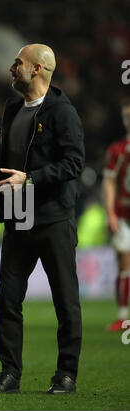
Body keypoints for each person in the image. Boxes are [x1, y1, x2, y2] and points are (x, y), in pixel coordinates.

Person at [0, 44, 85, 394]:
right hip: (18, 218)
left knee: (65, 302)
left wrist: (30, 178)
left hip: (53, 219)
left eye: (18, 63)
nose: (12, 68)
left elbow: (75, 163)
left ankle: (66, 374)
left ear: (38, 69)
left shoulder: (62, 113)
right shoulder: (13, 107)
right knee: (8, 300)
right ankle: (9, 373)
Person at [102, 99, 130, 332]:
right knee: (124, 263)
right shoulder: (118, 149)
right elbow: (109, 182)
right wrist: (110, 212)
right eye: (126, 117)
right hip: (123, 214)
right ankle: (122, 316)